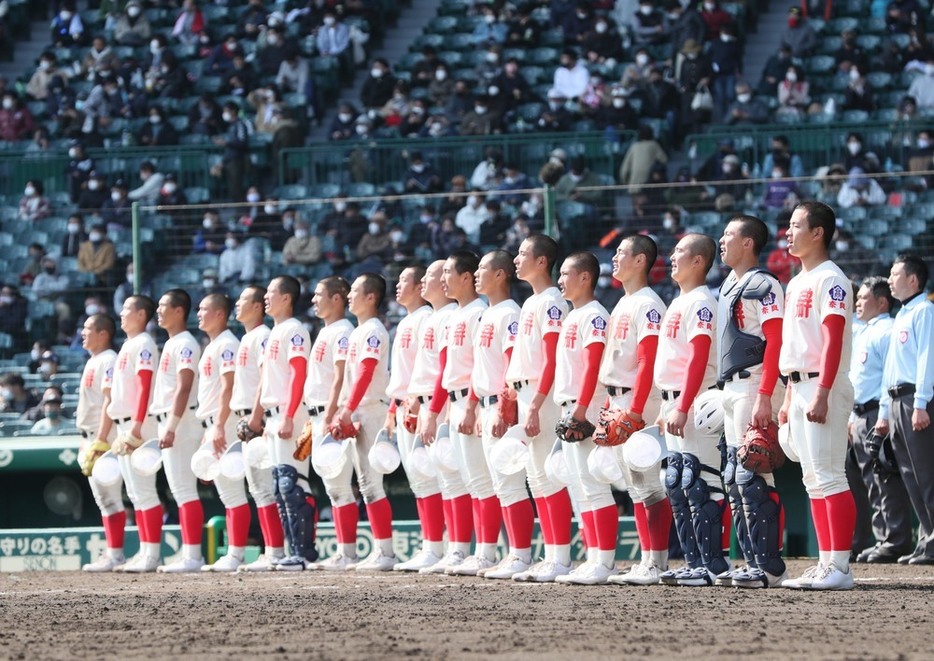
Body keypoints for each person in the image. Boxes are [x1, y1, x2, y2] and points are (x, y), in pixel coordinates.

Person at [779, 201, 857, 590]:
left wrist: (822, 392)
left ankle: (840, 567)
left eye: (795, 225)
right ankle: (826, 562)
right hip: (800, 383)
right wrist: (790, 395)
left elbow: (832, 339)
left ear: (818, 232)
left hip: (824, 384)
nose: (788, 232)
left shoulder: (832, 279)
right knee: (812, 479)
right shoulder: (796, 282)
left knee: (830, 475)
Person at [715, 216, 788, 589]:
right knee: (733, 477)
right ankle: (751, 561)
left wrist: (765, 397)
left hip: (755, 384)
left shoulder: (766, 284)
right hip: (731, 387)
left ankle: (770, 566)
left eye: (729, 234)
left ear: (748, 242)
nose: (722, 240)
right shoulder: (728, 284)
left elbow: (775, 341)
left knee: (753, 473)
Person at [654, 233, 726, 587]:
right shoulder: (678, 301)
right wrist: (665, 406)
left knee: (701, 484)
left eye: (679, 251)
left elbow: (699, 356)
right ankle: (695, 561)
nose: (672, 256)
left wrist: (681, 405)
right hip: (674, 403)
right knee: (678, 486)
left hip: (695, 402)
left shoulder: (701, 301)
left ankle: (713, 565)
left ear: (698, 261)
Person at [600, 235, 671, 586]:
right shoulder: (624, 301)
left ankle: (656, 562)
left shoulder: (647, 304)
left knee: (649, 487)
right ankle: (647, 559)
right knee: (635, 488)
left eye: (621, 253)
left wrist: (636, 411)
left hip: (636, 401)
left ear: (641, 260)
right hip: (619, 399)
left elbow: (648, 360)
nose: (613, 258)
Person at [505, 235, 573, 582]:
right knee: (536, 477)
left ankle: (560, 557)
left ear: (542, 261)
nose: (516, 259)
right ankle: (552, 555)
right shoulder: (533, 301)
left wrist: (535, 403)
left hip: (540, 395)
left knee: (548, 476)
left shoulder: (550, 302)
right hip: (527, 393)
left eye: (522, 253)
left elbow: (552, 358)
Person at [546, 252, 613, 584]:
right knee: (580, 488)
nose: (560, 280)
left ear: (585, 277)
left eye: (566, 273)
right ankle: (593, 556)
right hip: (569, 405)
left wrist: (582, 409)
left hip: (585, 407)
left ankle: (604, 560)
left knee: (594, 486)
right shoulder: (573, 316)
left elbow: (593, 366)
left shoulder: (594, 315)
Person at [326, 273, 397, 571]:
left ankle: (386, 552)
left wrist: (347, 409)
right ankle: (378, 552)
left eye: (355, 291)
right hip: (359, 409)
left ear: (370, 297)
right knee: (366, 484)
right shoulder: (358, 331)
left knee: (371, 484)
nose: (349, 295)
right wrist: (345, 409)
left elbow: (366, 374)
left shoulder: (373, 330)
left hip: (371, 409)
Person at [434, 252, 499, 576]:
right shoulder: (456, 315)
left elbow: (479, 366)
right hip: (457, 402)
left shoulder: (478, 312)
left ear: (466, 276)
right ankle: (466, 550)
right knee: (468, 481)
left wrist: (471, 406)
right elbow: (447, 368)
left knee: (483, 481)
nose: (444, 278)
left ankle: (486, 552)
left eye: (448, 271)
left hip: (476, 401)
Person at [469, 251, 533, 579]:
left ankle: (521, 554)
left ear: (500, 275)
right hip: (486, 402)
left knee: (510, 483)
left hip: (501, 403)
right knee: (498, 484)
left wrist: (504, 407)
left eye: (482, 269)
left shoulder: (508, 312)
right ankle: (514, 553)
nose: (476, 274)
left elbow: (511, 359)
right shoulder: (488, 313)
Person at [244, 277, 314, 570]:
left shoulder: (295, 330)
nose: (267, 298)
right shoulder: (272, 333)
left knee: (292, 484)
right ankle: (291, 550)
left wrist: (288, 414)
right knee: (279, 486)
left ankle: (303, 552)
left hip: (290, 414)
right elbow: (263, 379)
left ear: (286, 298)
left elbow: (299, 373)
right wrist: (256, 415)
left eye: (272, 293)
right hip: (272, 415)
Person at [407, 261, 472, 573]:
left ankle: (458, 548)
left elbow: (446, 371)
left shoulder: (449, 316)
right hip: (429, 402)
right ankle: (444, 548)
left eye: (431, 276)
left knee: (454, 480)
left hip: (444, 401)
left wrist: (433, 411)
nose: (427, 281)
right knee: (441, 480)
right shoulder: (436, 316)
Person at [385, 266, 445, 572]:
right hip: (406, 403)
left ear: (421, 285)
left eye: (403, 281)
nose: (397, 286)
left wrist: (418, 403)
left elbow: (430, 369)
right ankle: (430, 546)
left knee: (430, 479)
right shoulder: (409, 320)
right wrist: (394, 408)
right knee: (419, 483)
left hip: (421, 404)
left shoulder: (425, 319)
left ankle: (438, 547)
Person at [849, 278, 913, 563]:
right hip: (861, 413)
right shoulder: (864, 331)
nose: (858, 302)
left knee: (884, 477)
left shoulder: (886, 330)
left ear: (882, 302)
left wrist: (883, 416)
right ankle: (883, 538)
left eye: (864, 298)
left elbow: (890, 377)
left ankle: (895, 539)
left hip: (878, 412)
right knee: (871, 480)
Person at [876, 254, 934, 565]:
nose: (889, 278)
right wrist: (885, 411)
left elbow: (927, 359)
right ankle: (927, 539)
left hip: (915, 399)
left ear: (913, 279)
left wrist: (921, 403)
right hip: (898, 401)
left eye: (895, 273)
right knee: (911, 475)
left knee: (927, 473)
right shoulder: (903, 314)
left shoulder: (924, 311)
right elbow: (891, 369)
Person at [292, 276, 352, 572]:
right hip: (317, 415)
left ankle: (348, 552)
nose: (314, 300)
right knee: (333, 488)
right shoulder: (326, 331)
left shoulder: (343, 331)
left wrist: (328, 415)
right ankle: (345, 551)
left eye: (319, 294)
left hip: (330, 416)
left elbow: (340, 377)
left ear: (338, 298)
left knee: (343, 486)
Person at [194, 294, 252, 572]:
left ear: (219, 314)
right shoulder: (214, 344)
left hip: (225, 422)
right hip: (214, 423)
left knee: (232, 492)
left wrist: (218, 425)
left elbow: (229, 386)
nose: (199, 314)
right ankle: (234, 553)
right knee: (227, 493)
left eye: (204, 309)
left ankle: (235, 553)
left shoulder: (227, 343)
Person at [231, 286, 286, 572]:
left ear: (256, 307)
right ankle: (273, 550)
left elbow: (267, 378)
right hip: (248, 418)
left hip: (260, 419)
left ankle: (276, 550)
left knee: (267, 488)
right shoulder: (249, 337)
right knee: (259, 489)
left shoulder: (263, 336)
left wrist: (257, 417)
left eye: (243, 301)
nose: (237, 305)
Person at [106, 296, 161, 573]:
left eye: (127, 310)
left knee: (145, 491)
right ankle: (144, 550)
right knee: (136, 493)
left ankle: (151, 554)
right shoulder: (129, 344)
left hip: (139, 423)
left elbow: (144, 386)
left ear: (141, 314)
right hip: (124, 423)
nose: (121, 314)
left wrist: (137, 426)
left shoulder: (143, 344)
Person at [150, 290, 204, 573]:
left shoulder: (184, 343)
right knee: (180, 490)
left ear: (179, 310)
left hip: (181, 421)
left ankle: (193, 556)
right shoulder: (173, 342)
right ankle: (190, 553)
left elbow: (184, 386)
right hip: (172, 419)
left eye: (163, 306)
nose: (158, 311)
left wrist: (171, 426)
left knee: (184, 490)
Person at [76, 314, 124, 572]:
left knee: (110, 497)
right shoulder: (95, 359)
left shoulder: (108, 359)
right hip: (90, 437)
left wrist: (101, 440)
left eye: (87, 329)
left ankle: (115, 554)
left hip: (101, 437)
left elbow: (109, 400)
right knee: (104, 499)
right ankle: (113, 553)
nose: (83, 333)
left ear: (103, 333)